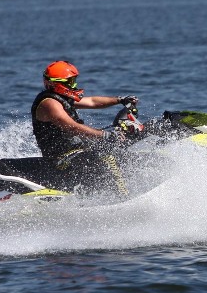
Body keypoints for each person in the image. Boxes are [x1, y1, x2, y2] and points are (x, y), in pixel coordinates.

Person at [31, 60, 139, 195]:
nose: (74, 85)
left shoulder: (62, 99)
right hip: (60, 159)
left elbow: (93, 102)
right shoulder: (49, 104)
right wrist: (104, 135)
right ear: (54, 83)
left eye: (74, 80)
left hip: (77, 151)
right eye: (70, 82)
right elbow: (73, 127)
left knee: (118, 151)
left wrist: (120, 99)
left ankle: (128, 187)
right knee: (105, 156)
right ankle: (122, 196)